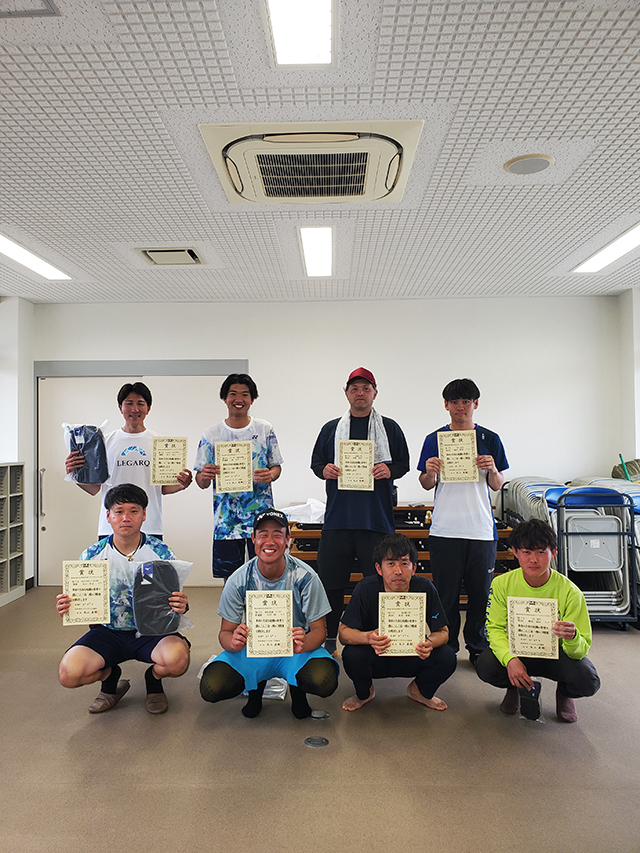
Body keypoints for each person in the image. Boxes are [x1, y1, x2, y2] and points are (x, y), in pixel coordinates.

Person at [56, 484, 191, 715]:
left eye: (133, 511)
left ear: (144, 514)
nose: (126, 518)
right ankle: (110, 677)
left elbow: (171, 599)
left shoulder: (162, 553)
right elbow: (82, 598)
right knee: (69, 674)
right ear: (108, 516)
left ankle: (153, 679)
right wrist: (68, 605)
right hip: (107, 632)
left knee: (177, 661)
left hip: (151, 632)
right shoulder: (91, 556)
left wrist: (182, 605)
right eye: (119, 511)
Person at [199, 509, 339, 719]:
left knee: (324, 680)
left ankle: (298, 693)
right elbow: (225, 632)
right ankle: (255, 692)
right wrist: (233, 642)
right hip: (254, 649)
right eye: (263, 534)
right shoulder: (238, 579)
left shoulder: (306, 577)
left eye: (277, 534)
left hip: (295, 650)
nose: (270, 541)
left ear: (287, 539)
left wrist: (305, 643)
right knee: (212, 686)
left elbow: (319, 630)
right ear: (253, 539)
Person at [311, 368, 410, 655]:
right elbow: (317, 463)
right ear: (346, 394)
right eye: (354, 388)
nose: (360, 393)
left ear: (375, 393)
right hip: (338, 520)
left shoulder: (389, 428)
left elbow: (403, 463)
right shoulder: (331, 428)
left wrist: (389, 470)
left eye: (366, 388)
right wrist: (325, 470)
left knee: (379, 584)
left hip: (376, 521)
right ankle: (329, 637)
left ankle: (379, 637)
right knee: (331, 584)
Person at [418, 378, 508, 665]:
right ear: (446, 405)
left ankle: (478, 646)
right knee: (446, 595)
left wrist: (492, 468)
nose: (460, 407)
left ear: (475, 404)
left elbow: (497, 484)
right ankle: (447, 646)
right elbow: (425, 483)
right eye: (454, 402)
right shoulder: (434, 439)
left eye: (466, 401)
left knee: (481, 594)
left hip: (481, 530)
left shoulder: (490, 438)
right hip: (444, 529)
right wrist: (430, 472)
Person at [476, 519, 601, 723]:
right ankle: (514, 687)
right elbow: (494, 628)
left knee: (587, 680)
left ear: (553, 552)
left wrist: (572, 638)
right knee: (486, 665)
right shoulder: (501, 584)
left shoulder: (571, 592)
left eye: (541, 552)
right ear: (515, 552)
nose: (533, 559)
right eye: (526, 552)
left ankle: (565, 693)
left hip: (556, 654)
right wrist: (510, 660)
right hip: (518, 649)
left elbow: (580, 650)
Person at [339, 533, 457, 711]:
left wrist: (429, 643)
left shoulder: (424, 587)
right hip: (376, 654)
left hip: (414, 654)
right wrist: (368, 637)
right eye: (391, 564)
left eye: (404, 563)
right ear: (379, 569)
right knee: (351, 655)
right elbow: (343, 633)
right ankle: (365, 692)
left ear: (414, 568)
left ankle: (419, 690)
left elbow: (443, 632)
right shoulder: (366, 588)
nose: (398, 571)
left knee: (447, 657)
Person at [65, 381, 192, 539]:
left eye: (140, 403)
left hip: (150, 525)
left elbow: (162, 487)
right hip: (111, 526)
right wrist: (73, 474)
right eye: (129, 403)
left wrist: (181, 485)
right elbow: (95, 488)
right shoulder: (103, 442)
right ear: (120, 407)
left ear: (148, 408)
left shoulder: (160, 443)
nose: (135, 409)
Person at [194, 373, 283, 579]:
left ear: (252, 399)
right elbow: (200, 482)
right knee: (231, 580)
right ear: (224, 398)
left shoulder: (264, 429)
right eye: (233, 394)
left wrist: (269, 474)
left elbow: (276, 468)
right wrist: (205, 475)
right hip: (226, 522)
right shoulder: (212, 434)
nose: (238, 399)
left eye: (245, 394)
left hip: (261, 520)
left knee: (265, 575)